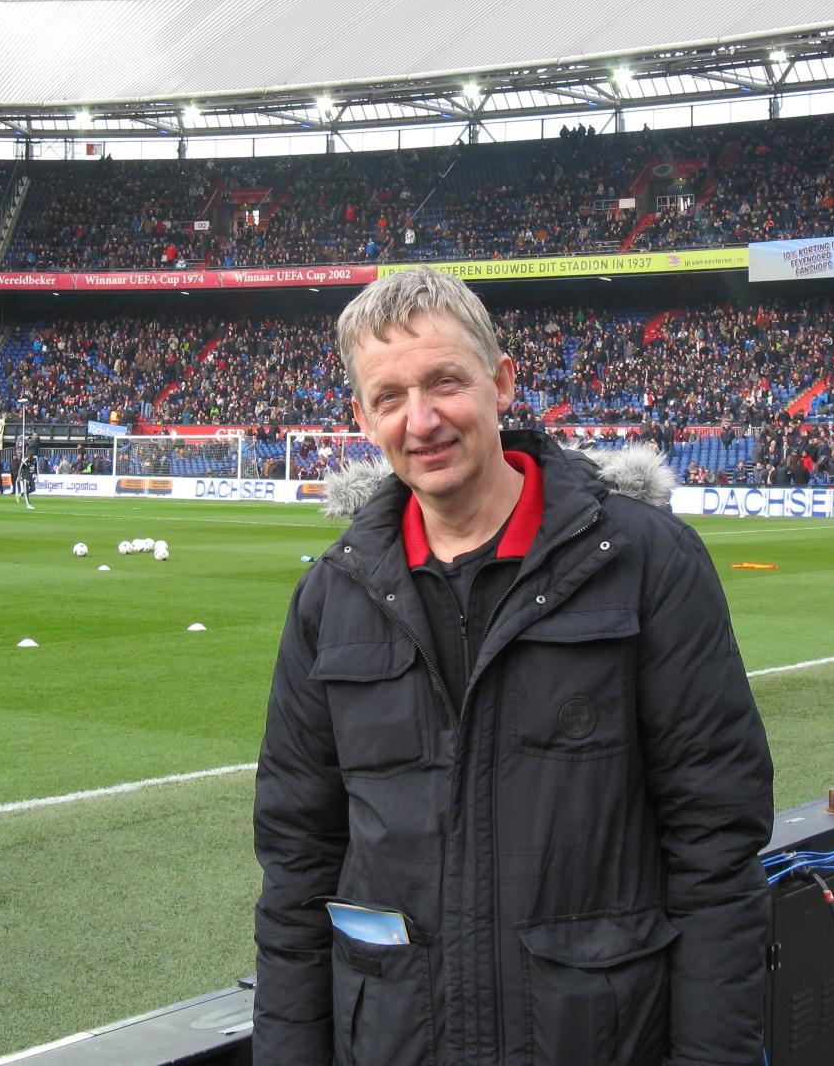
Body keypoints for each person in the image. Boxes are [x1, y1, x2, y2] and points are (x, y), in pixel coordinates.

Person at [253, 268, 774, 1066]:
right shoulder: (331, 598)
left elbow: (715, 848)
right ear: (361, 418)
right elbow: (296, 865)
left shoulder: (645, 562)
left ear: (501, 382)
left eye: (445, 382)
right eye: (389, 397)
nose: (421, 420)